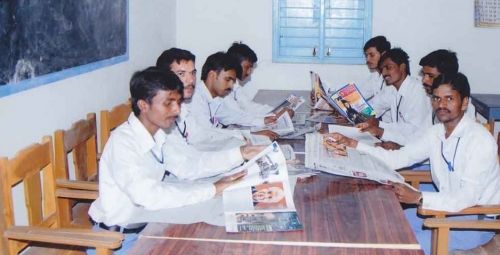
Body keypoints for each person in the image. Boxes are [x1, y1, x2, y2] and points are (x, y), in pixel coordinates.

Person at [324, 72, 500, 254]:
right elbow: (398, 158)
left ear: (464, 103)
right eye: (436, 99)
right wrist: (354, 144)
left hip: (474, 220)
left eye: (449, 99)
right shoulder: (436, 133)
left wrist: (419, 197)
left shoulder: (480, 140)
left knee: (400, 246)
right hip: (445, 208)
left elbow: (467, 197)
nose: (441, 105)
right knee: (383, 224)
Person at [87, 67, 246, 255]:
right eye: (168, 103)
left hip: (150, 226)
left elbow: (189, 166)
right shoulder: (123, 144)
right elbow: (149, 196)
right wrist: (212, 189)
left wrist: (240, 154)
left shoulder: (159, 133)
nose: (177, 110)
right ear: (143, 105)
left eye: (178, 102)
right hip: (118, 242)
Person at [156, 48, 265, 180]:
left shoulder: (182, 108)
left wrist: (239, 152)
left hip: (191, 169)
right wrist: (238, 154)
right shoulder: (159, 118)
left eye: (192, 73)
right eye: (181, 74)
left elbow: (198, 137)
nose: (190, 80)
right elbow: (186, 165)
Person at [188, 52, 278, 145]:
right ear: (212, 75)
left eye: (233, 81)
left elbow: (232, 116)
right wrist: (251, 135)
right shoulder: (196, 99)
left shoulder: (216, 97)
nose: (231, 85)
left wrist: (262, 121)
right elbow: (209, 134)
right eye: (227, 79)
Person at [357, 48, 431, 147]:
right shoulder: (392, 88)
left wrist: (380, 128)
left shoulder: (418, 90)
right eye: (382, 69)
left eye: (388, 67)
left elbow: (413, 130)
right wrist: (353, 113)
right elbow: (373, 107)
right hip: (398, 141)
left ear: (402, 67)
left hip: (415, 147)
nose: (383, 73)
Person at [215, 42, 290, 127]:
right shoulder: (222, 88)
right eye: (247, 67)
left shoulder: (235, 85)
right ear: (235, 65)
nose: (249, 72)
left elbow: (248, 106)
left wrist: (276, 112)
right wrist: (265, 120)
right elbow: (238, 115)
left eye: (251, 68)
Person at [419, 49, 476, 124]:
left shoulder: (461, 109)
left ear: (446, 77)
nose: (424, 80)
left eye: (430, 76)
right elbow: (423, 132)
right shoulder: (434, 100)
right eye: (423, 75)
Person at [360, 36, 395, 121]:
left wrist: (353, 112)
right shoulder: (376, 75)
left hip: (391, 128)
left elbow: (374, 109)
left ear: (383, 54)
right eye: (366, 55)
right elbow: (360, 94)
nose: (367, 59)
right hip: (379, 123)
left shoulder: (393, 79)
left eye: (371, 55)